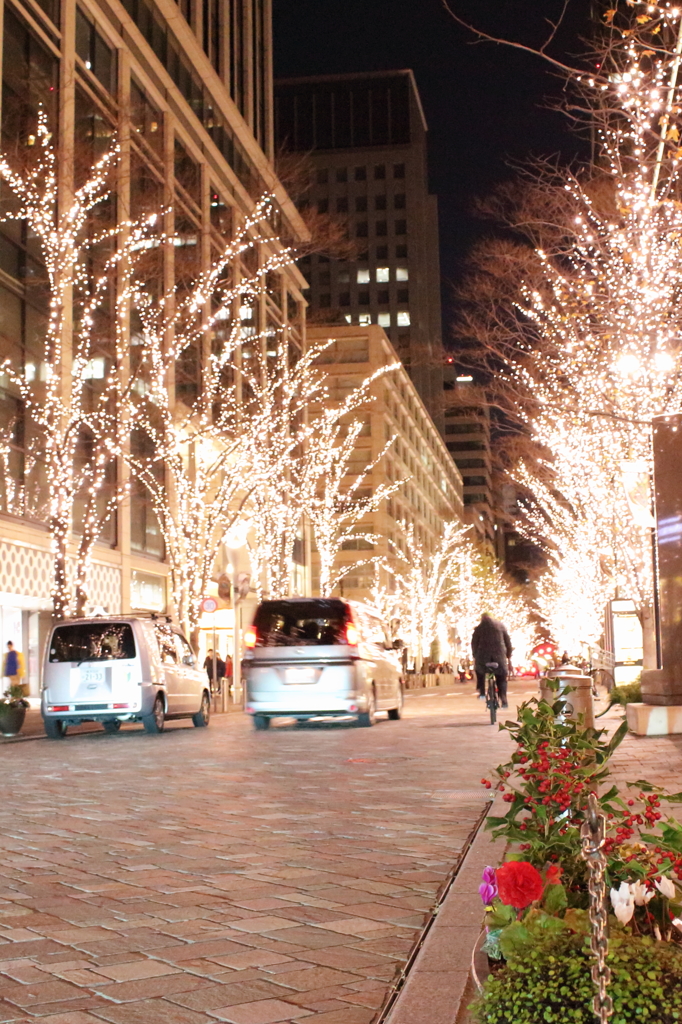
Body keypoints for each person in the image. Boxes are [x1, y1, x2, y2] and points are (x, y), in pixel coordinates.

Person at [471, 613, 513, 709]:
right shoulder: (501, 627)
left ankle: (482, 692)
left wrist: (475, 656)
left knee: (479, 671)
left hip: (483, 658)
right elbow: (508, 643)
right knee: (501, 677)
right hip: (499, 657)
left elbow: (474, 645)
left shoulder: (478, 629)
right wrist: (508, 655)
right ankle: (503, 698)